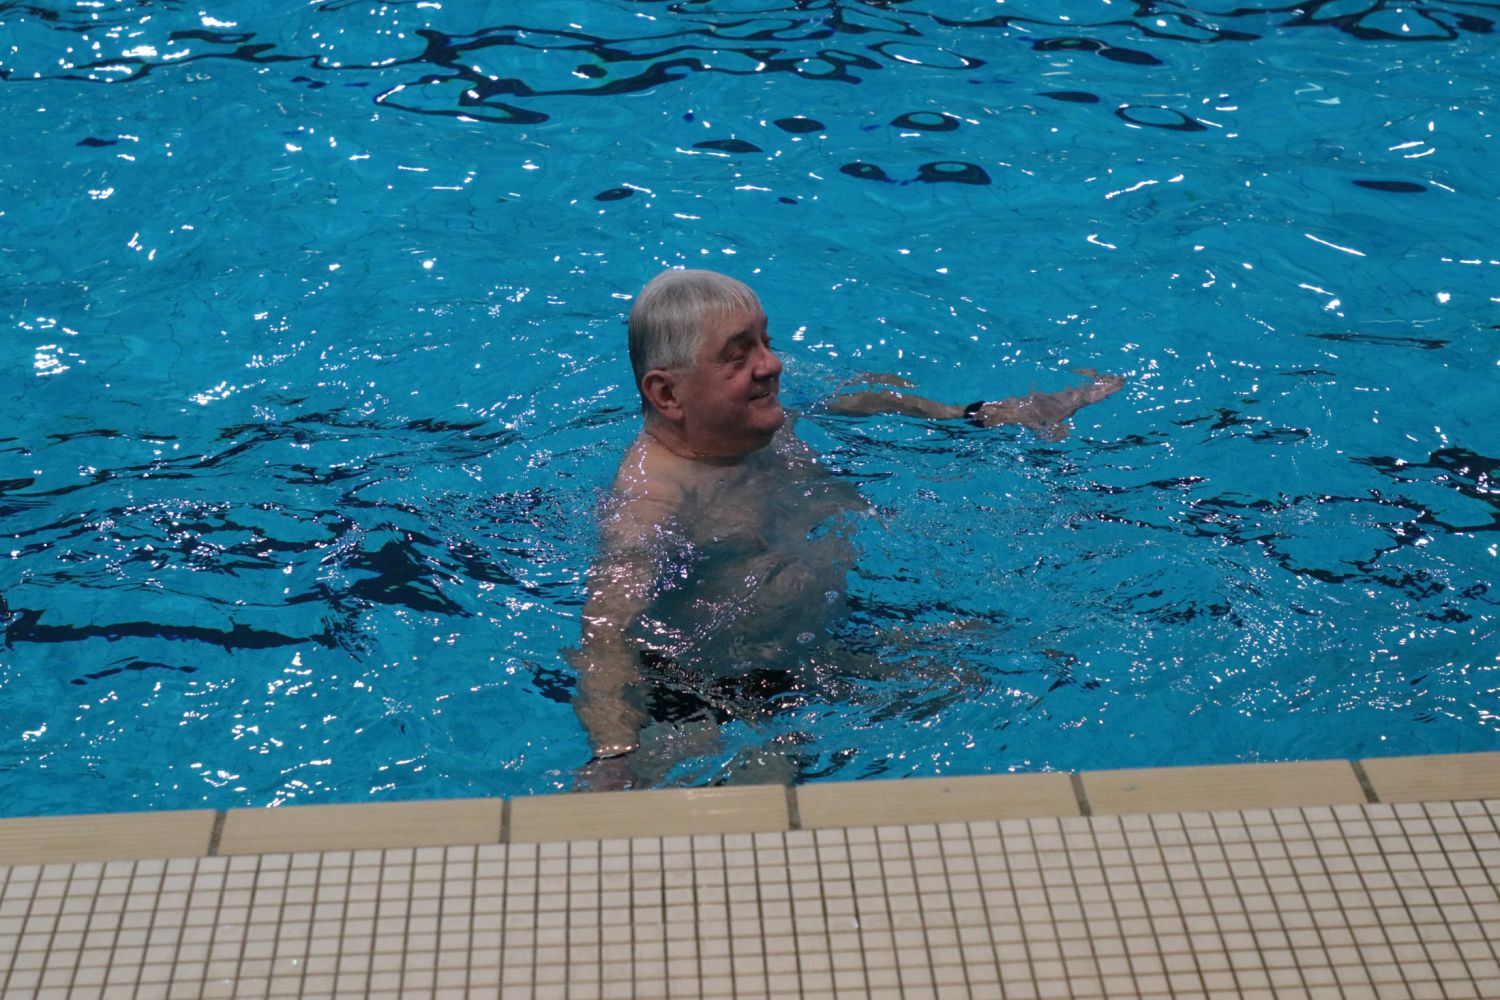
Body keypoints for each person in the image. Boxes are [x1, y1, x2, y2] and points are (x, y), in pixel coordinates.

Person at [571, 269, 1122, 790]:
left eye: (766, 341)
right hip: (717, 699)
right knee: (765, 808)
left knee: (995, 671)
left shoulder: (756, 418)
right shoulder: (652, 503)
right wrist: (614, 754)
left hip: (814, 649)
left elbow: (859, 397)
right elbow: (605, 631)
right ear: (668, 395)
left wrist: (973, 414)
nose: (772, 365)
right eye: (739, 356)